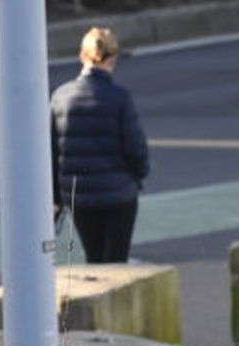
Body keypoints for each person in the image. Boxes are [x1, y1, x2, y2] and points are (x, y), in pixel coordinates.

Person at [49, 26, 150, 264]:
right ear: (113, 59)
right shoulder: (119, 97)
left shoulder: (60, 97)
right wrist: (139, 174)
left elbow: (53, 151)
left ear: (82, 56)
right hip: (118, 192)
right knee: (116, 259)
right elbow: (135, 148)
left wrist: (56, 195)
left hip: (79, 195)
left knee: (94, 258)